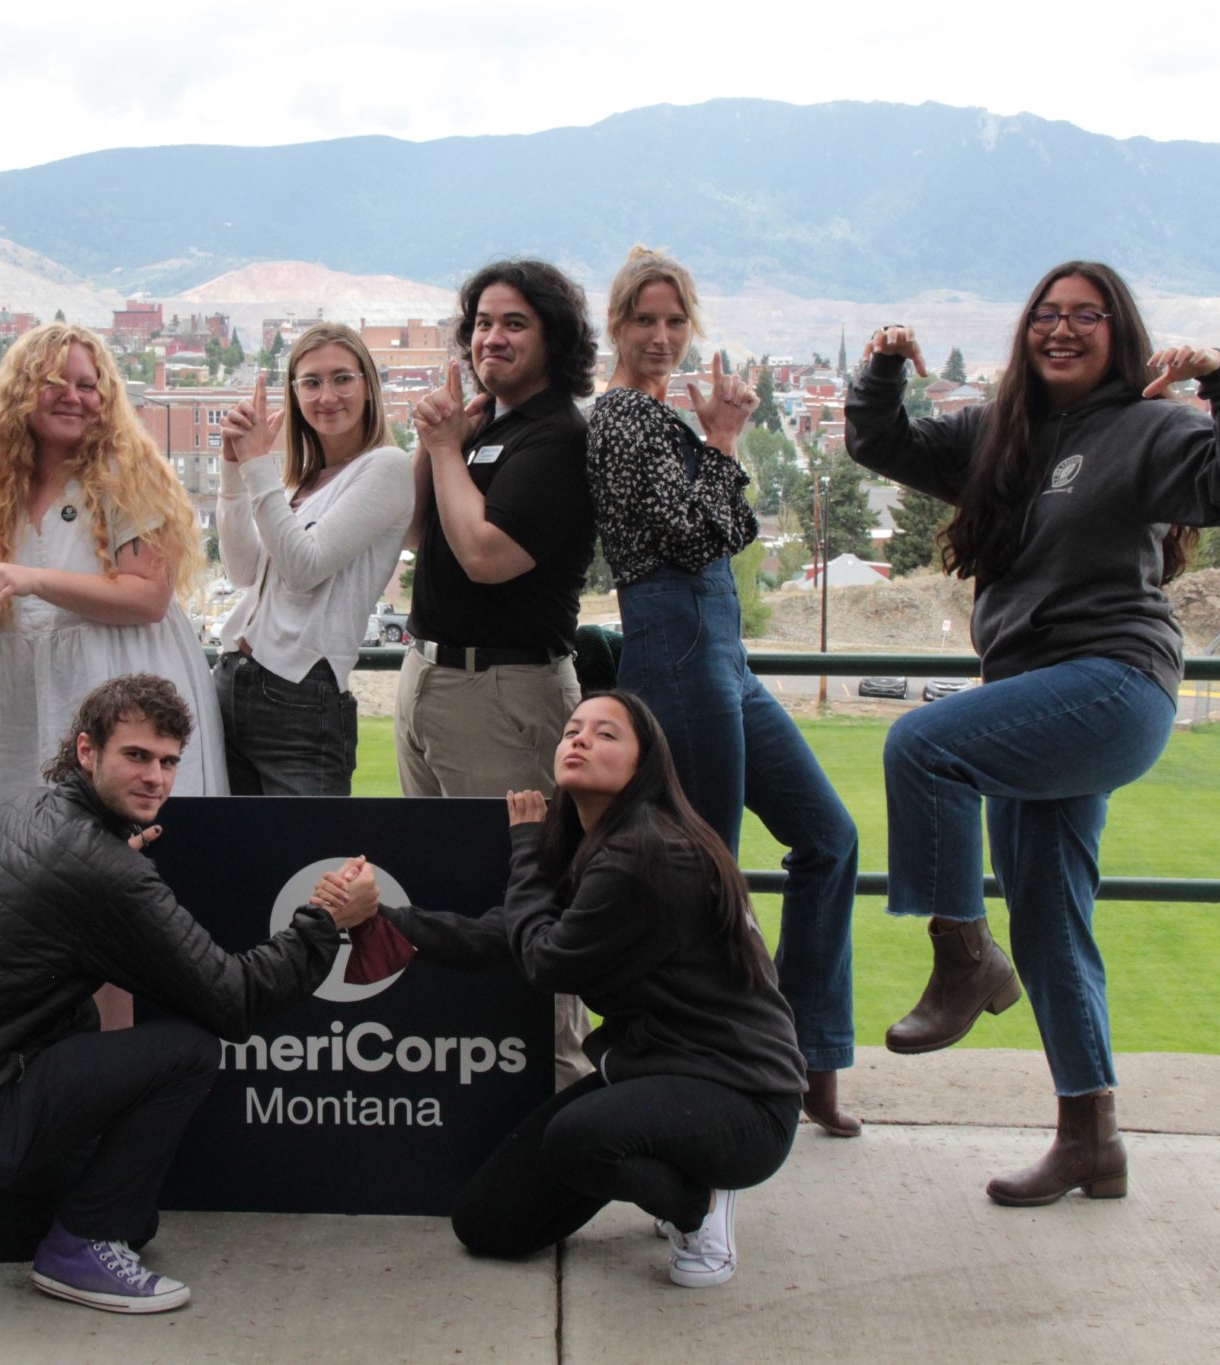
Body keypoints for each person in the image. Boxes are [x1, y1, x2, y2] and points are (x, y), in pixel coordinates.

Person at [845, 260, 1220, 1204]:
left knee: (921, 745)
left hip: (1114, 683)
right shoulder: (998, 435)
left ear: (1118, 332)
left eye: (1085, 315)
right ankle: (1091, 1137)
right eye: (1045, 313)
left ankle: (964, 961)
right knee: (1051, 919)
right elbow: (879, 441)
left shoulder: (1155, 427)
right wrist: (884, 364)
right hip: (1030, 691)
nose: (1061, 328)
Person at [0, 674, 373, 1314]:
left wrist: (112, 856)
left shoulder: (23, 811)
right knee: (187, 1051)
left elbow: (66, 898)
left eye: (169, 761)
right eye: (136, 756)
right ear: (86, 751)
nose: (156, 777)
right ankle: (77, 1249)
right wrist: (326, 919)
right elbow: (234, 999)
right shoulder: (106, 874)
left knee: (139, 1220)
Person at [317, 691, 804, 1287]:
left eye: (606, 734)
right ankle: (674, 1166)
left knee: (579, 1139)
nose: (579, 739)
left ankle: (696, 1204)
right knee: (488, 1226)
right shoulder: (592, 839)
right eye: (573, 728)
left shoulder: (650, 852)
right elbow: (507, 935)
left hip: (743, 1098)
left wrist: (524, 848)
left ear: (644, 764)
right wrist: (381, 919)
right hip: (651, 1072)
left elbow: (544, 962)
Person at [586, 247, 863, 1137]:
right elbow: (709, 532)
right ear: (617, 326)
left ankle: (808, 1048)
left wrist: (712, 449)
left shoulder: (661, 422)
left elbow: (714, 528)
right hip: (677, 655)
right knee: (711, 878)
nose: (662, 337)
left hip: (719, 656)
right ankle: (719, 1072)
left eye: (675, 321)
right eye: (644, 321)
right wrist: (726, 445)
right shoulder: (625, 417)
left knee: (829, 836)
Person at [402, 257, 599, 1088]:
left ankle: (558, 1095)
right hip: (434, 680)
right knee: (450, 891)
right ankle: (473, 1092)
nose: (493, 336)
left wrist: (451, 444)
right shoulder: (491, 426)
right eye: (482, 322)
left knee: (528, 899)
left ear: (554, 337)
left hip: (504, 692)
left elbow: (485, 556)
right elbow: (423, 534)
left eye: (514, 322)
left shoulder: (556, 435)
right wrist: (438, 443)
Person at [0, 324, 227, 811]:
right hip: (30, 697)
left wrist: (29, 580)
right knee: (34, 846)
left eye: (86, 386)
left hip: (124, 686)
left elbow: (149, 597)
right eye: (53, 382)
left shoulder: (127, 472)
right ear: (21, 393)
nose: (71, 397)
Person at [213, 324, 413, 793]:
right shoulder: (297, 482)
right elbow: (241, 570)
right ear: (295, 394)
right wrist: (233, 468)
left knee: (307, 860)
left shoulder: (386, 467)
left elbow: (304, 569)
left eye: (342, 378)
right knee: (234, 860)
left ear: (368, 386)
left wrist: (257, 463)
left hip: (300, 699)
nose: (328, 396)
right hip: (231, 683)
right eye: (311, 382)